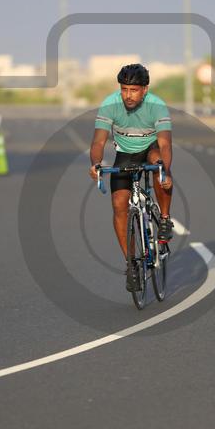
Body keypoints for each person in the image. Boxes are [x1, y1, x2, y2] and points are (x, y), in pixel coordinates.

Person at [89, 63, 174, 291]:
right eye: (124, 89)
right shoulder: (110, 104)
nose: (128, 95)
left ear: (145, 90)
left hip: (151, 149)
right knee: (119, 204)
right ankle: (131, 264)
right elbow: (98, 142)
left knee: (158, 163)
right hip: (125, 154)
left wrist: (165, 171)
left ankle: (164, 219)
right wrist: (96, 164)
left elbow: (165, 144)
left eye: (134, 90)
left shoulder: (156, 106)